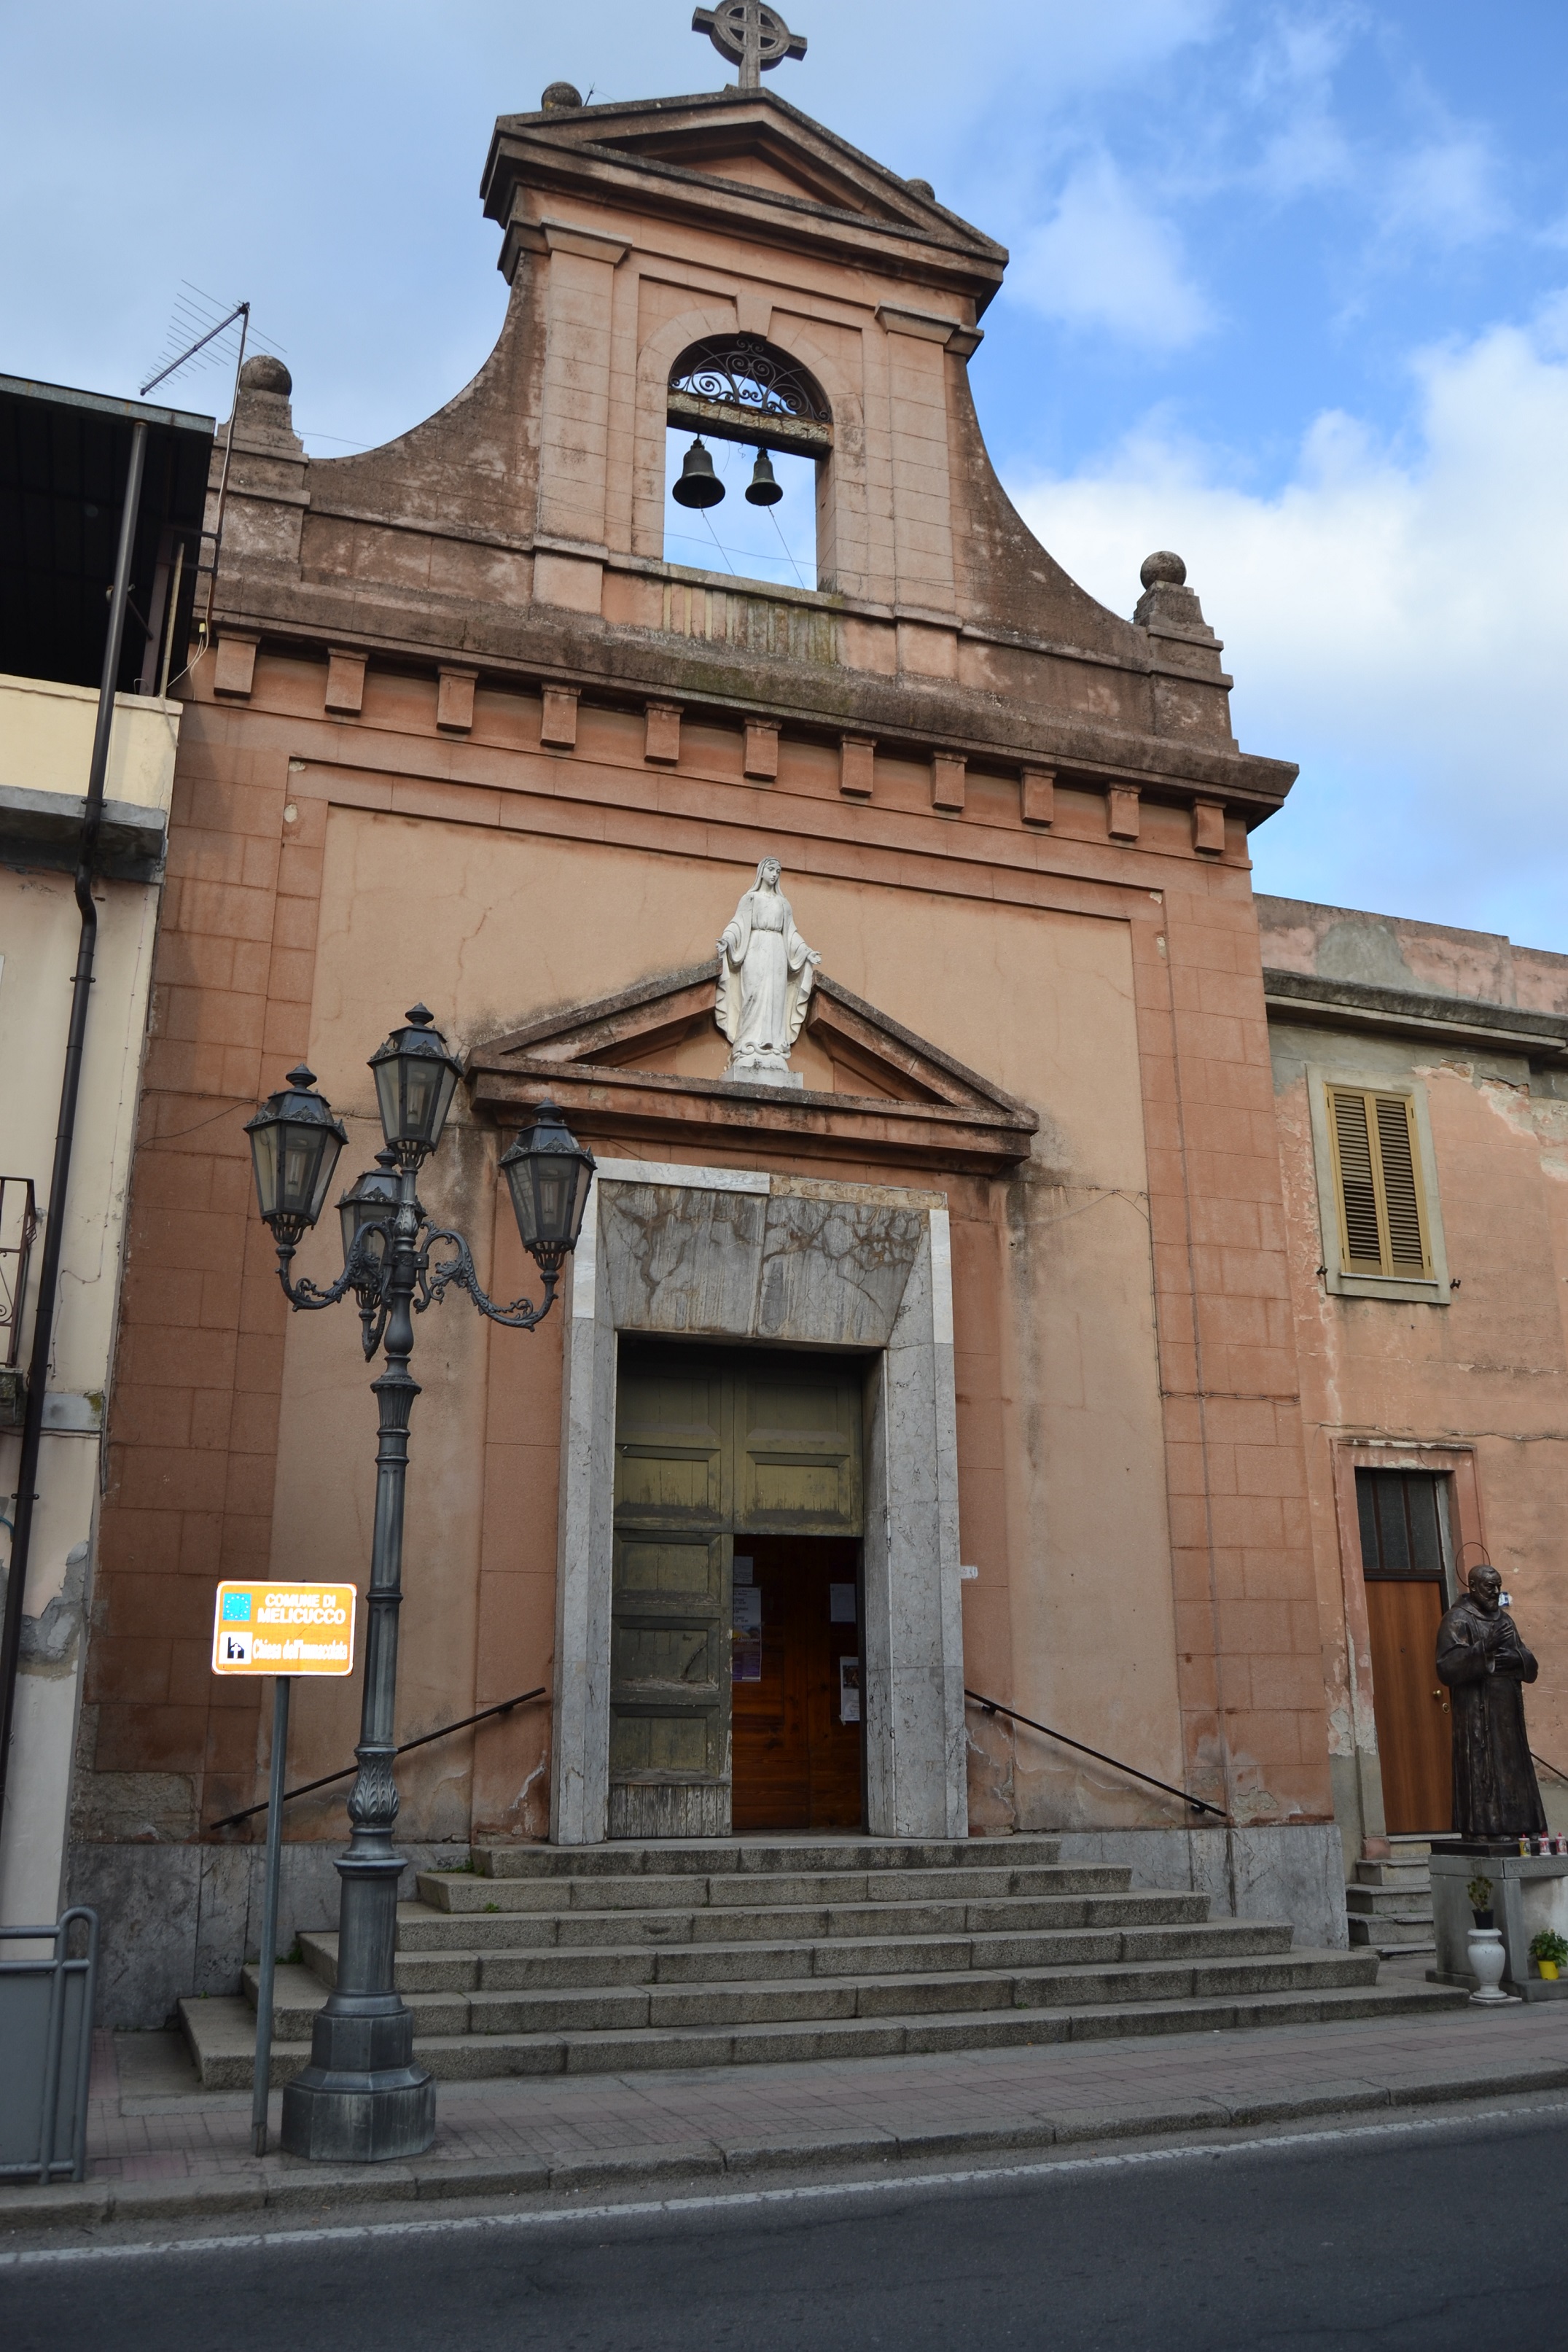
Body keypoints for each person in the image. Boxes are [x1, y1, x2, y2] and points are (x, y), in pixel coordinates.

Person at [1435, 1562, 1547, 1839]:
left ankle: (1523, 1825)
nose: (1496, 1592)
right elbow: (1446, 1667)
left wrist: (1516, 1659)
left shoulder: (1505, 1621)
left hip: (1507, 1710)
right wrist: (1484, 1649)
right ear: (1473, 1586)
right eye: (1490, 1586)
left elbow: (1529, 1662)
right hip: (1476, 1711)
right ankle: (1485, 1829)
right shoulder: (1457, 1619)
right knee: (1481, 1767)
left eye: (1499, 1586)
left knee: (1513, 1765)